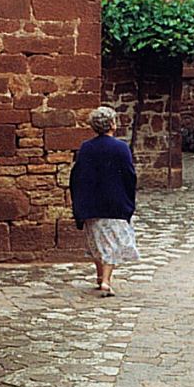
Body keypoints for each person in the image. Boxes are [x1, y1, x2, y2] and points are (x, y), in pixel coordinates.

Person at [70, 106, 139, 297]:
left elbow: (78, 175)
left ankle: (100, 277)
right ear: (112, 124)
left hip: (92, 203)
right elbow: (129, 175)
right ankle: (106, 281)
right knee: (112, 244)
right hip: (115, 203)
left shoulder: (86, 147)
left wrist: (79, 203)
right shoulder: (121, 148)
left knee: (98, 242)